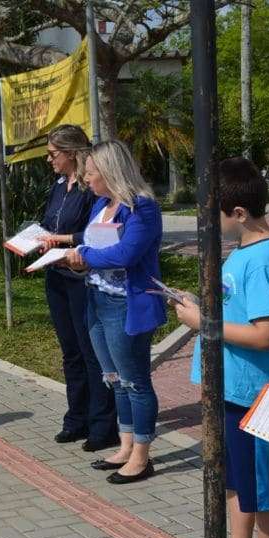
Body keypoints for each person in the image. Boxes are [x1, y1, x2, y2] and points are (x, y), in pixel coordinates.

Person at [173, 158, 269, 538]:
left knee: (263, 490)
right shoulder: (246, 253)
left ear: (240, 213)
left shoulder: (264, 259)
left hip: (259, 400)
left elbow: (266, 334)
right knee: (236, 482)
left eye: (214, 215)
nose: (209, 224)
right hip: (233, 391)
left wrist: (204, 324)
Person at [64, 140, 164, 484]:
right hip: (96, 300)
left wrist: (82, 257)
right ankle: (124, 446)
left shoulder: (143, 208)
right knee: (114, 380)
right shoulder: (101, 205)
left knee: (135, 382)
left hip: (127, 305)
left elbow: (125, 254)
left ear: (110, 172)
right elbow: (90, 247)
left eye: (90, 173)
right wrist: (78, 259)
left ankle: (141, 455)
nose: (87, 179)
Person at [36, 124, 118, 451]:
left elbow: (99, 234)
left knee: (91, 352)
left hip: (82, 279)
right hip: (56, 275)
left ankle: (103, 425)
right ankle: (76, 418)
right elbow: (50, 223)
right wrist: (39, 239)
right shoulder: (59, 186)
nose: (48, 159)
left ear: (71, 153)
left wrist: (63, 240)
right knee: (70, 351)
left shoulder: (90, 189)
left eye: (53, 154)